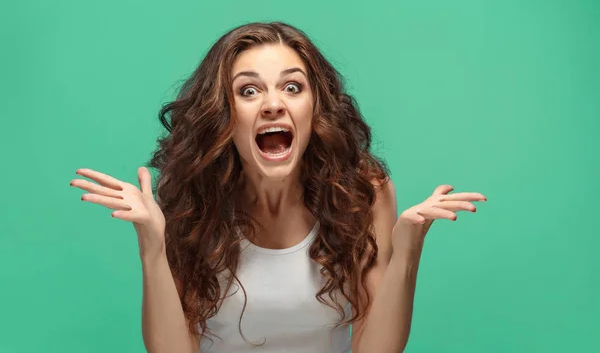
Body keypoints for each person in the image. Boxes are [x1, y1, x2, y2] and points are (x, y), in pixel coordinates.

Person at [70, 22, 486, 353]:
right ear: (225, 116)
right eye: (248, 91)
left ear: (314, 107)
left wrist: (407, 252)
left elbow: (375, 349)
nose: (273, 103)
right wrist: (153, 250)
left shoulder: (363, 193)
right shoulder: (192, 200)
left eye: (292, 87)